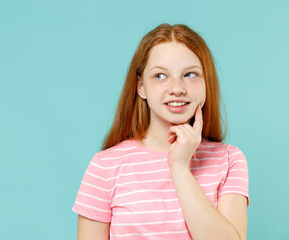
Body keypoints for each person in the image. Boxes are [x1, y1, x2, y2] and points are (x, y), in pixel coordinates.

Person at [72, 23, 249, 240]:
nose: (177, 88)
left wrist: (180, 167)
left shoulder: (229, 160)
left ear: (206, 83)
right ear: (141, 87)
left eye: (190, 74)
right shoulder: (105, 167)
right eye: (160, 76)